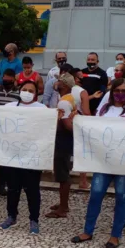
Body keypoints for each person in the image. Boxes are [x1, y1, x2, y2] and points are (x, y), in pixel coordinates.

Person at [71, 79, 125, 248]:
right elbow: (95, 127)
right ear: (112, 91)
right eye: (117, 90)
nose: (120, 93)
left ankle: (115, 235)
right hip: (104, 161)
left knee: (122, 197)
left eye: (124, 90)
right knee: (96, 194)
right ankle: (88, 230)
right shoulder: (105, 109)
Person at [0, 80, 47, 235]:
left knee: (32, 190)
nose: (27, 92)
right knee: (12, 188)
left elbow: (47, 129)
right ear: (19, 90)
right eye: (24, 89)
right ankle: (11, 216)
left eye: (31, 90)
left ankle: (34, 219)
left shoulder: (42, 109)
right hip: (12, 156)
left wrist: (56, 117)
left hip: (32, 157)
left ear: (36, 94)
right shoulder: (9, 108)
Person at [47, 73, 77, 218]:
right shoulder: (69, 98)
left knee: (63, 174)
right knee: (64, 173)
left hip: (62, 141)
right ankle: (63, 202)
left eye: (58, 81)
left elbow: (66, 125)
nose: (56, 83)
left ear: (63, 85)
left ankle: (63, 208)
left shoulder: (64, 102)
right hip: (66, 141)